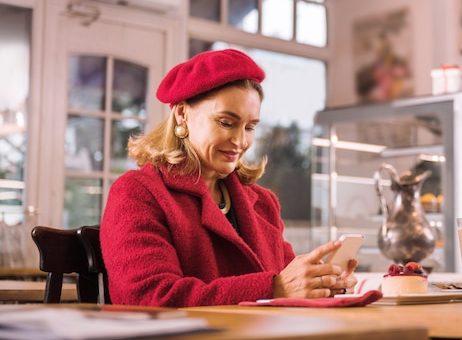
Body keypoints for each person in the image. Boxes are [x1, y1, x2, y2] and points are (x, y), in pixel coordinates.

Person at [100, 49, 358, 307]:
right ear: (182, 114)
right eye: (226, 122)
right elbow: (147, 297)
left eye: (249, 127)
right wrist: (274, 288)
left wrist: (322, 283)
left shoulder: (264, 202)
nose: (240, 141)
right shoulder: (138, 192)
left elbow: (289, 283)